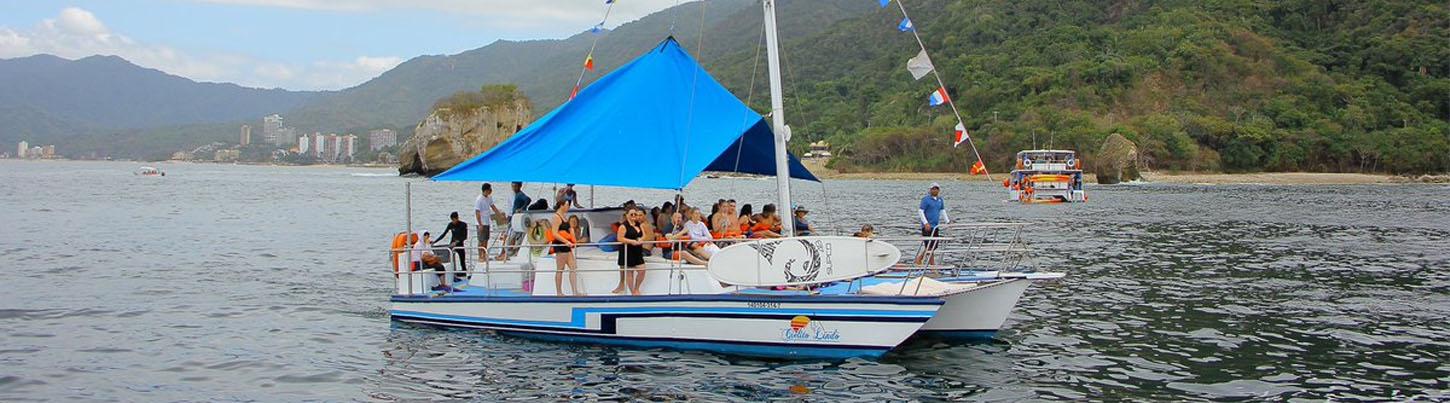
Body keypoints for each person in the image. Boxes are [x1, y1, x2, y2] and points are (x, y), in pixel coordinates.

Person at [915, 182, 951, 266]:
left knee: (934, 246)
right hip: (927, 227)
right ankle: (932, 266)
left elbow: (942, 210)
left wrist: (948, 221)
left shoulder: (940, 200)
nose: (935, 190)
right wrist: (925, 223)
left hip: (935, 226)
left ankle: (920, 258)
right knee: (929, 246)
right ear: (930, 190)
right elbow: (921, 211)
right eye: (933, 189)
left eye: (936, 189)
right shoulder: (926, 199)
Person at [615, 207, 648, 295]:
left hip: (637, 250)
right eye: (631, 214)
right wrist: (632, 241)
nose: (634, 216)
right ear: (627, 215)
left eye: (635, 214)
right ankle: (632, 291)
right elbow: (620, 238)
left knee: (642, 270)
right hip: (628, 250)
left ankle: (637, 288)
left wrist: (641, 239)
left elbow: (644, 235)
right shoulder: (623, 226)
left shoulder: (639, 224)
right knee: (630, 271)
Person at [432, 212, 469, 282]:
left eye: (455, 219)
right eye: (452, 220)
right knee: (450, 259)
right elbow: (444, 234)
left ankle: (464, 272)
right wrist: (435, 241)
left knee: (462, 260)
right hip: (452, 244)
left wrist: (457, 242)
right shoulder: (450, 225)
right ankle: (452, 272)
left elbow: (465, 236)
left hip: (460, 244)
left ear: (457, 218)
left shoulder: (463, 224)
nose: (454, 221)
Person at [550, 217, 583, 296]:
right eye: (572, 221)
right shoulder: (561, 228)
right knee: (560, 269)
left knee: (573, 267)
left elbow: (574, 241)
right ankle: (559, 292)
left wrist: (572, 232)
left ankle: (575, 291)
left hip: (568, 249)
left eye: (575, 221)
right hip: (561, 249)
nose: (574, 223)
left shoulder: (571, 230)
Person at [497, 182, 530, 261]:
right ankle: (505, 253)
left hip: (517, 219)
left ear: (520, 186)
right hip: (513, 217)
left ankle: (507, 253)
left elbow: (528, 199)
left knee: (511, 236)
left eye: (515, 186)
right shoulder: (515, 195)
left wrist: (522, 208)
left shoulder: (520, 194)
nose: (513, 188)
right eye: (512, 186)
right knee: (507, 235)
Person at [475, 184, 504, 261]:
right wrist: (480, 224)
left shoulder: (489, 198)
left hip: (487, 222)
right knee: (481, 240)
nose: (491, 191)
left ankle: (484, 255)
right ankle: (480, 256)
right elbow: (477, 212)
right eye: (490, 190)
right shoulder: (479, 199)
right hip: (481, 222)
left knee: (486, 239)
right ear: (486, 190)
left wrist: (499, 215)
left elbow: (493, 207)